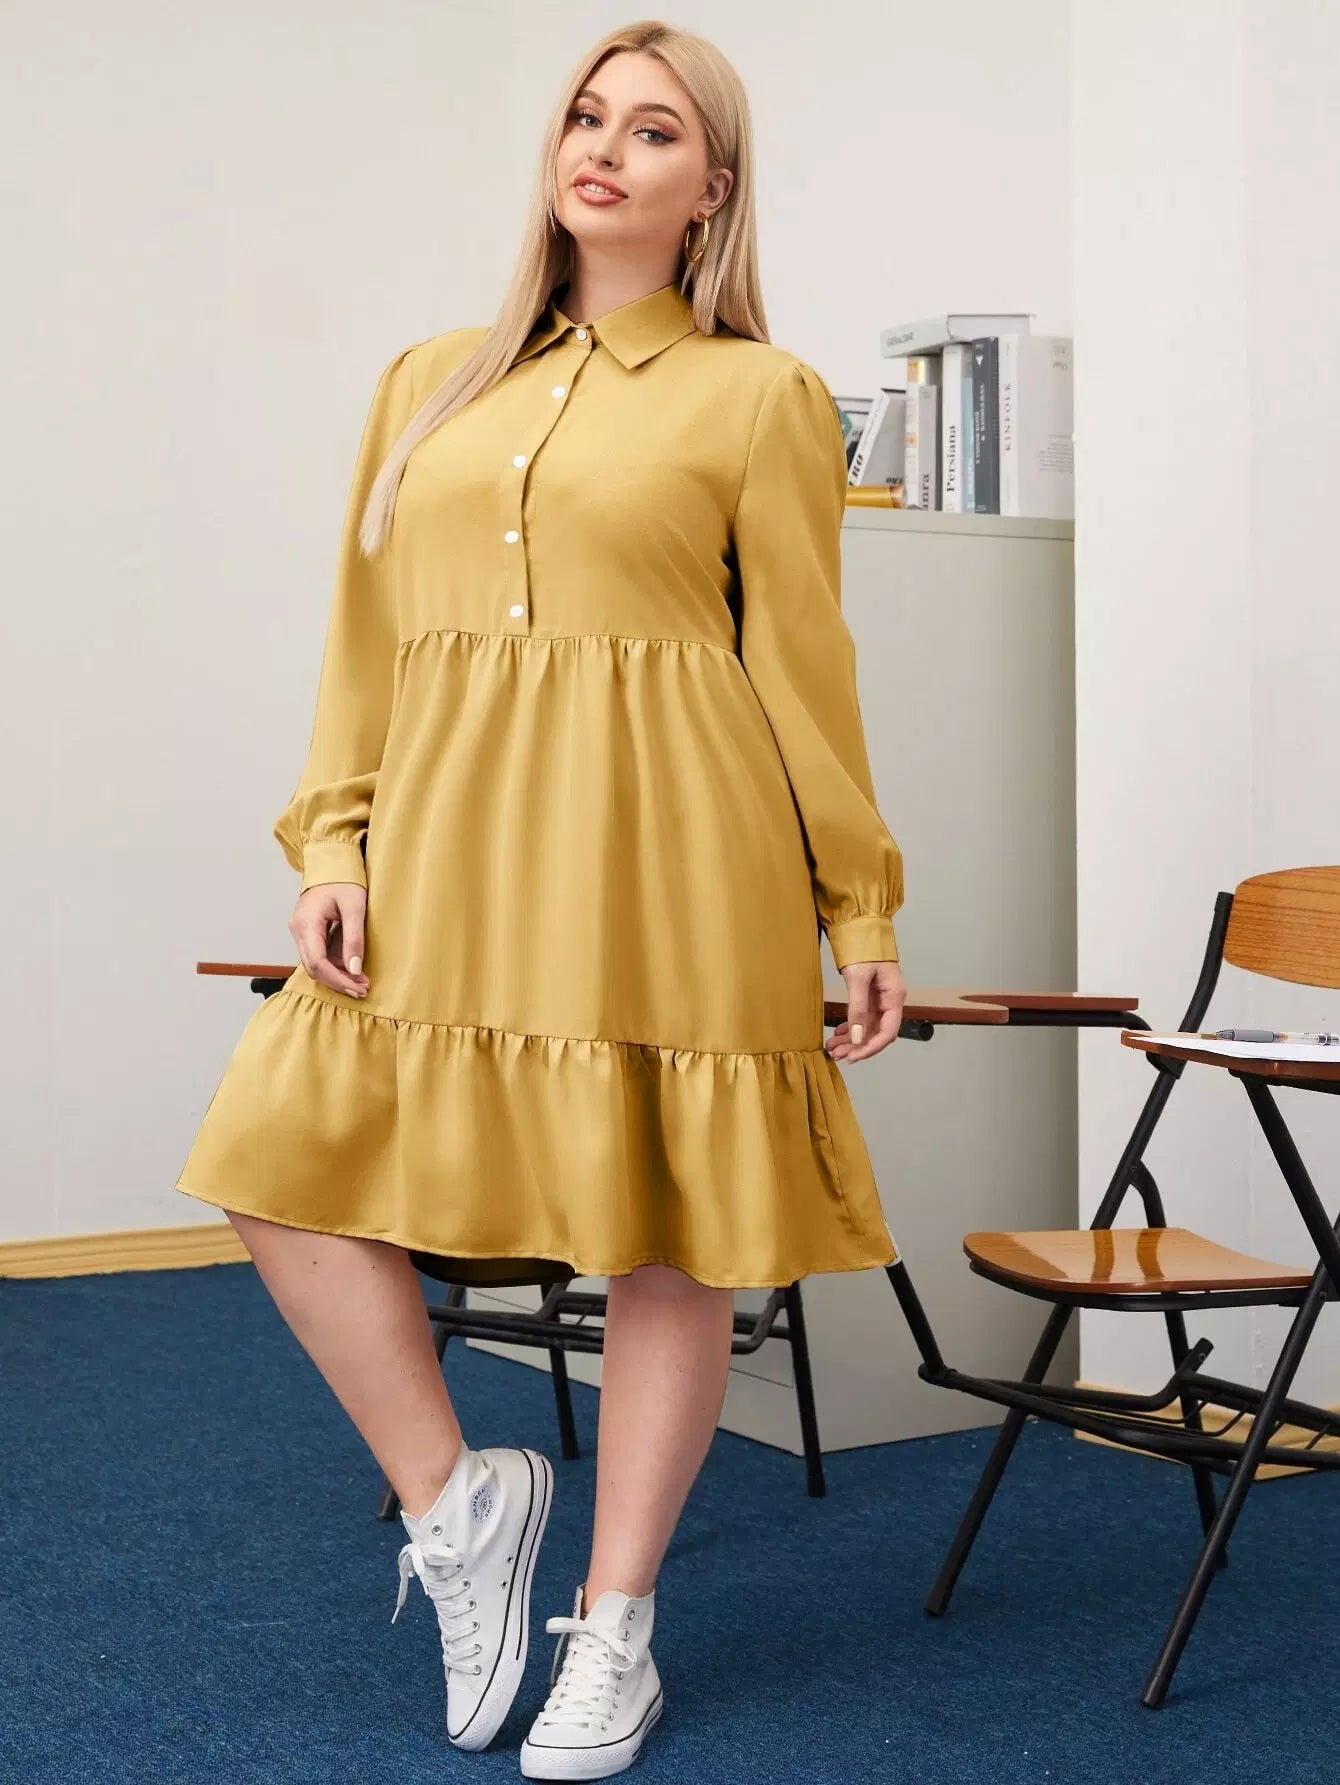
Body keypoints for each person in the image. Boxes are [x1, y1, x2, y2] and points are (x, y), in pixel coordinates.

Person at [174, 17, 906, 1779]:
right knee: (271, 1161)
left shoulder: (764, 397)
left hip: (681, 849)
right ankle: (461, 1505)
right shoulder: (429, 380)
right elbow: (366, 641)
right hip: (450, 839)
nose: (604, 148)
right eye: (587, 115)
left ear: (710, 187)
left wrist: (858, 906)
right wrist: (333, 841)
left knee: (666, 1233)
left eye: (652, 131)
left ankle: (618, 1623)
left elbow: (803, 673)